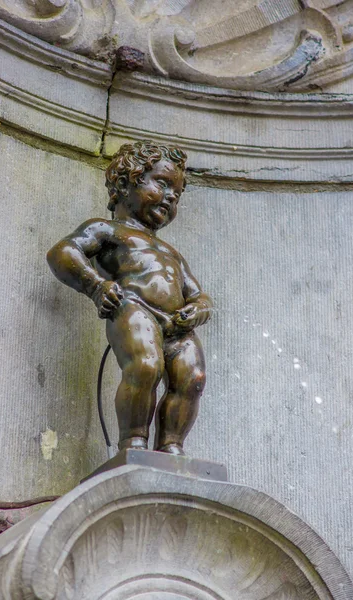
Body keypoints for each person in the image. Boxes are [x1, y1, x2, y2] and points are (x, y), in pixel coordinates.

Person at [47, 140, 212, 455]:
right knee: (146, 366)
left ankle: (171, 447)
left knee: (193, 378)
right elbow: (63, 252)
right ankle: (133, 442)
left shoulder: (171, 253)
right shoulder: (107, 230)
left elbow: (198, 294)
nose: (170, 197)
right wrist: (96, 286)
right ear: (125, 183)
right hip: (133, 308)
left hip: (177, 325)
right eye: (162, 184)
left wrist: (199, 310)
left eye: (176, 193)